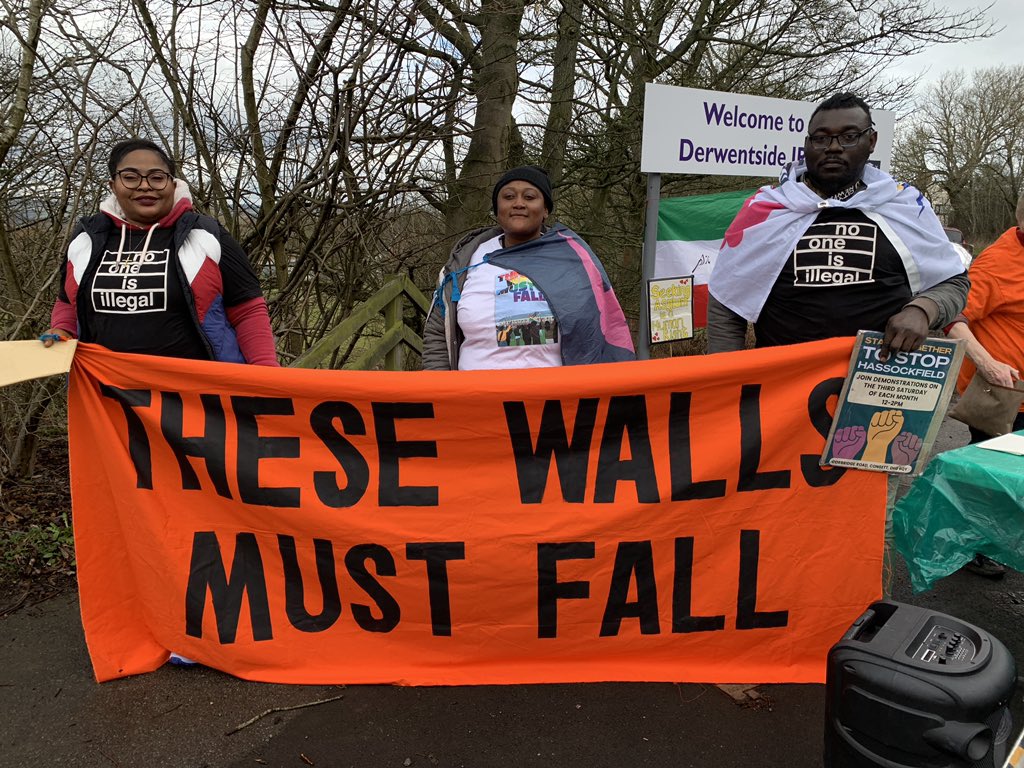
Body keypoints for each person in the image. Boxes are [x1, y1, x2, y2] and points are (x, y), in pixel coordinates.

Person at [708, 93, 969, 357]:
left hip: (879, 382)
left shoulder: (905, 205)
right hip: (781, 386)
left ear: (872, 141)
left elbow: (954, 282)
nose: (833, 147)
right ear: (807, 144)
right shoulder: (768, 209)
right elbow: (725, 300)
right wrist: (724, 378)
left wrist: (923, 309)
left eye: (849, 136)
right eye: (821, 138)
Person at [44, 138, 278, 367]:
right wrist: (62, 329)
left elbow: (247, 309)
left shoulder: (206, 234)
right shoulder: (86, 238)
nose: (145, 186)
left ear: (173, 184)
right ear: (112, 185)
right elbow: (67, 301)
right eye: (130, 177)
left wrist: (267, 375)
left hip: (201, 396)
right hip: (107, 395)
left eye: (157, 178)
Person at [422, 165, 634, 370]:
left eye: (530, 197)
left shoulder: (574, 261)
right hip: (476, 399)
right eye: (508, 197)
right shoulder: (467, 262)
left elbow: (601, 329)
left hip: (553, 401)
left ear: (546, 210)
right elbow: (438, 334)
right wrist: (438, 390)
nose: (519, 203)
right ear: (497, 209)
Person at [944, 195, 1024, 578]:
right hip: (1003, 395)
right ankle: (969, 546)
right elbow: (952, 317)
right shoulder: (996, 264)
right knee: (990, 474)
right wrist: (988, 364)